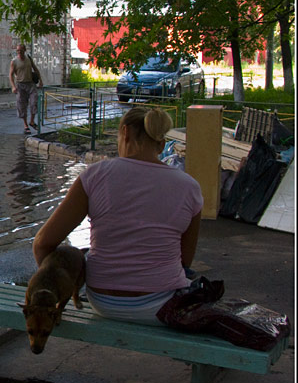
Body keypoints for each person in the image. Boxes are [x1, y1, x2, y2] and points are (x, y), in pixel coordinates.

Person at [31, 106, 203, 327]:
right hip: (160, 305)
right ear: (161, 145)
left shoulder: (94, 176)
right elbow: (184, 261)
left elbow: (43, 244)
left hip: (103, 302)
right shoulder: (190, 187)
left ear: (125, 133)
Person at [9, 44, 42, 134]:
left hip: (30, 84)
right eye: (18, 51)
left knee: (34, 102)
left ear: (25, 50)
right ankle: (25, 125)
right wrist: (13, 86)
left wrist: (41, 81)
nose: (19, 52)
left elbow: (36, 69)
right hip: (20, 85)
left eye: (21, 50)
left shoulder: (29, 59)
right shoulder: (14, 61)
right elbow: (11, 75)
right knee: (22, 105)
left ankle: (32, 121)